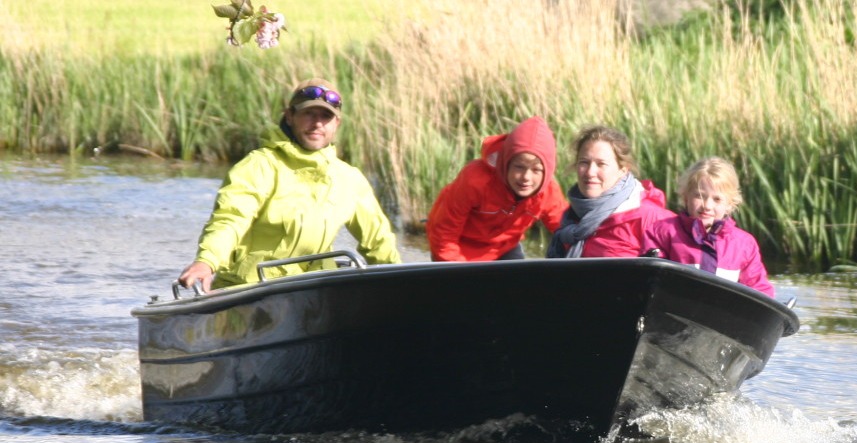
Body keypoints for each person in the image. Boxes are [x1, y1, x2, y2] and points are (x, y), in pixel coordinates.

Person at [176, 78, 402, 290]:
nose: (317, 124)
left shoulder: (349, 178)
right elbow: (230, 219)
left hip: (315, 290)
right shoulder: (259, 166)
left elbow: (378, 240)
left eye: (326, 117)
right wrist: (207, 261)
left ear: (337, 124)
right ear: (290, 116)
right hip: (249, 289)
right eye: (308, 114)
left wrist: (402, 282)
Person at [426, 117, 567, 261]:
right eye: (519, 167)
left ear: (547, 171)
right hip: (457, 248)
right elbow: (444, 233)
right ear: (506, 162)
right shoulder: (474, 180)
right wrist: (460, 270)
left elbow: (570, 232)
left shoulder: (549, 192)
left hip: (504, 249)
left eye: (536, 170)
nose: (526, 177)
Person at [643, 157, 774, 297]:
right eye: (699, 196)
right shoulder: (661, 232)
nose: (707, 206)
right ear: (686, 197)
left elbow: (759, 291)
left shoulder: (744, 244)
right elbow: (648, 277)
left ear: (730, 204)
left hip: (722, 313)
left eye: (717, 199)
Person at [545, 125, 674, 258]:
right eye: (584, 162)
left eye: (601, 164)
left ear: (623, 170)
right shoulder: (571, 217)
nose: (590, 172)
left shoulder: (652, 219)